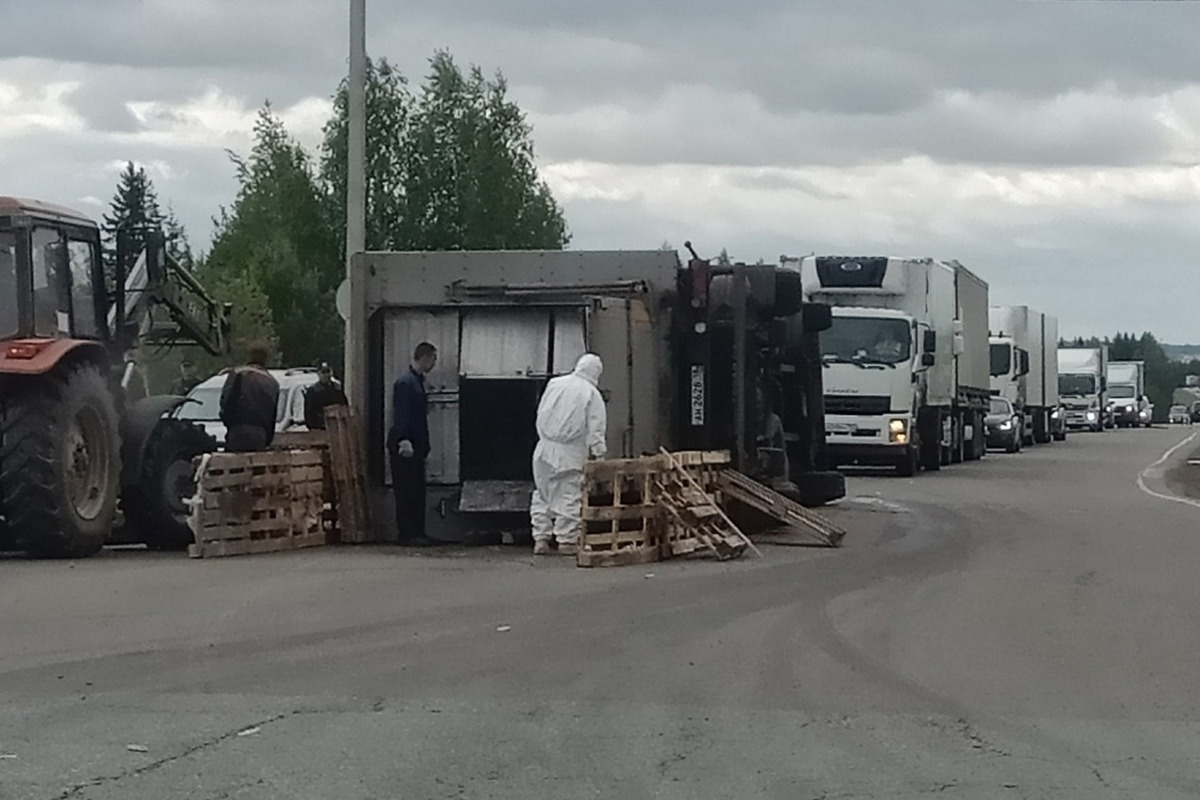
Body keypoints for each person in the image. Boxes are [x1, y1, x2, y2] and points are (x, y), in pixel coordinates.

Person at [529, 353, 607, 556]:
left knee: (543, 494)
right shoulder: (591, 393)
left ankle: (541, 539)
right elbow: (595, 429)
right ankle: (567, 540)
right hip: (569, 451)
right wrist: (599, 456)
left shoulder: (555, 383)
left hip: (543, 448)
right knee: (569, 495)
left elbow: (542, 410)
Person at [389, 342, 439, 547]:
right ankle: (407, 533)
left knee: (416, 490)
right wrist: (403, 439)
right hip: (406, 447)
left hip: (416, 446)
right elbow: (401, 414)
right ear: (425, 357)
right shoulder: (406, 383)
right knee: (407, 491)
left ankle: (417, 532)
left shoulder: (417, 382)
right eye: (433, 358)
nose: (434, 363)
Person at [219, 345, 280, 453]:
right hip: (260, 435)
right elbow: (272, 414)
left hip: (237, 429)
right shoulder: (272, 382)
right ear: (266, 360)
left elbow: (225, 401)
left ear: (249, 357)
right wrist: (267, 439)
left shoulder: (237, 373)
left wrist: (228, 422)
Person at [303, 362, 348, 430]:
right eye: (323, 372)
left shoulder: (337, 389)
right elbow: (309, 416)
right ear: (318, 374)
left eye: (328, 371)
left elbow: (344, 407)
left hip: (338, 427)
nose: (326, 375)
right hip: (320, 428)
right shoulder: (313, 391)